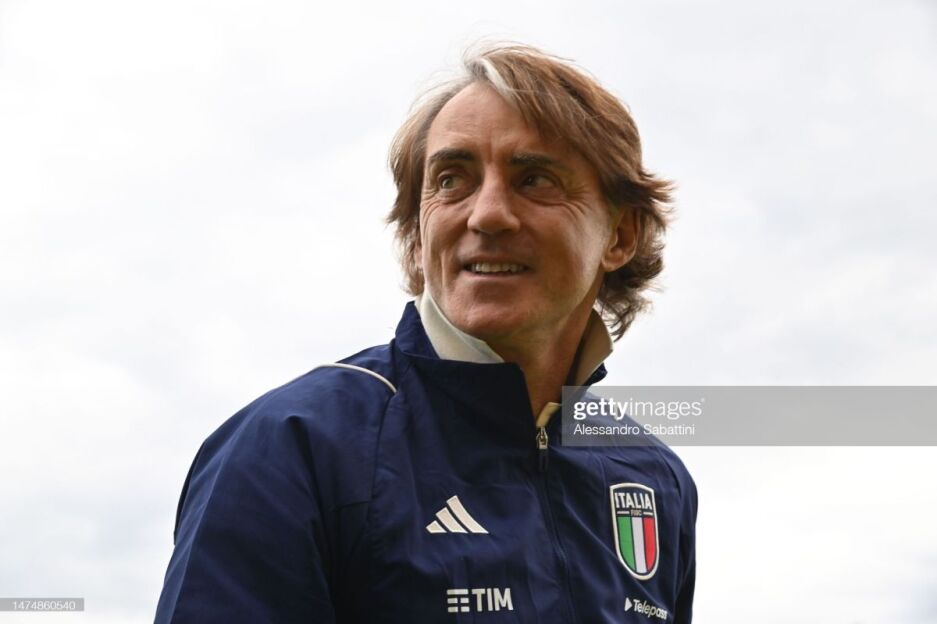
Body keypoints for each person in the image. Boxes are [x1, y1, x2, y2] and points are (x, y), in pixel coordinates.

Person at [155, 43, 697, 623]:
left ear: (620, 236)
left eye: (534, 178)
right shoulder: (290, 446)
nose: (487, 214)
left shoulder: (655, 477)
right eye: (452, 180)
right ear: (417, 236)